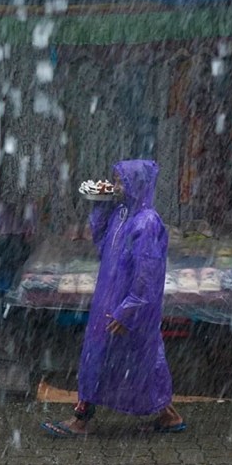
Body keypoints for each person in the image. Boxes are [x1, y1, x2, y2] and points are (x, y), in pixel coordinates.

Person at [41, 160, 184, 436]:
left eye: (121, 181)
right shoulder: (121, 213)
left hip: (126, 306)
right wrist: (100, 205)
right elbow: (101, 242)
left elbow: (147, 274)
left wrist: (129, 310)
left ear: (138, 184)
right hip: (109, 298)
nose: (116, 187)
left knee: (122, 358)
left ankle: (82, 419)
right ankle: (169, 416)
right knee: (133, 359)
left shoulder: (147, 223)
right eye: (115, 181)